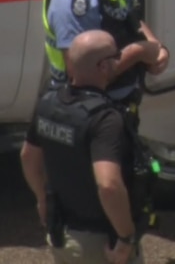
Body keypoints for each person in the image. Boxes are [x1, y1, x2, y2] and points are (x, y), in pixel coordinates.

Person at [20, 30, 151, 264]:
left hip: (63, 235)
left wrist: (42, 199)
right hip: (100, 244)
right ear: (103, 66)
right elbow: (108, 184)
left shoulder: (48, 103)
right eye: (116, 55)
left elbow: (28, 156)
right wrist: (125, 238)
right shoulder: (105, 119)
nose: (119, 59)